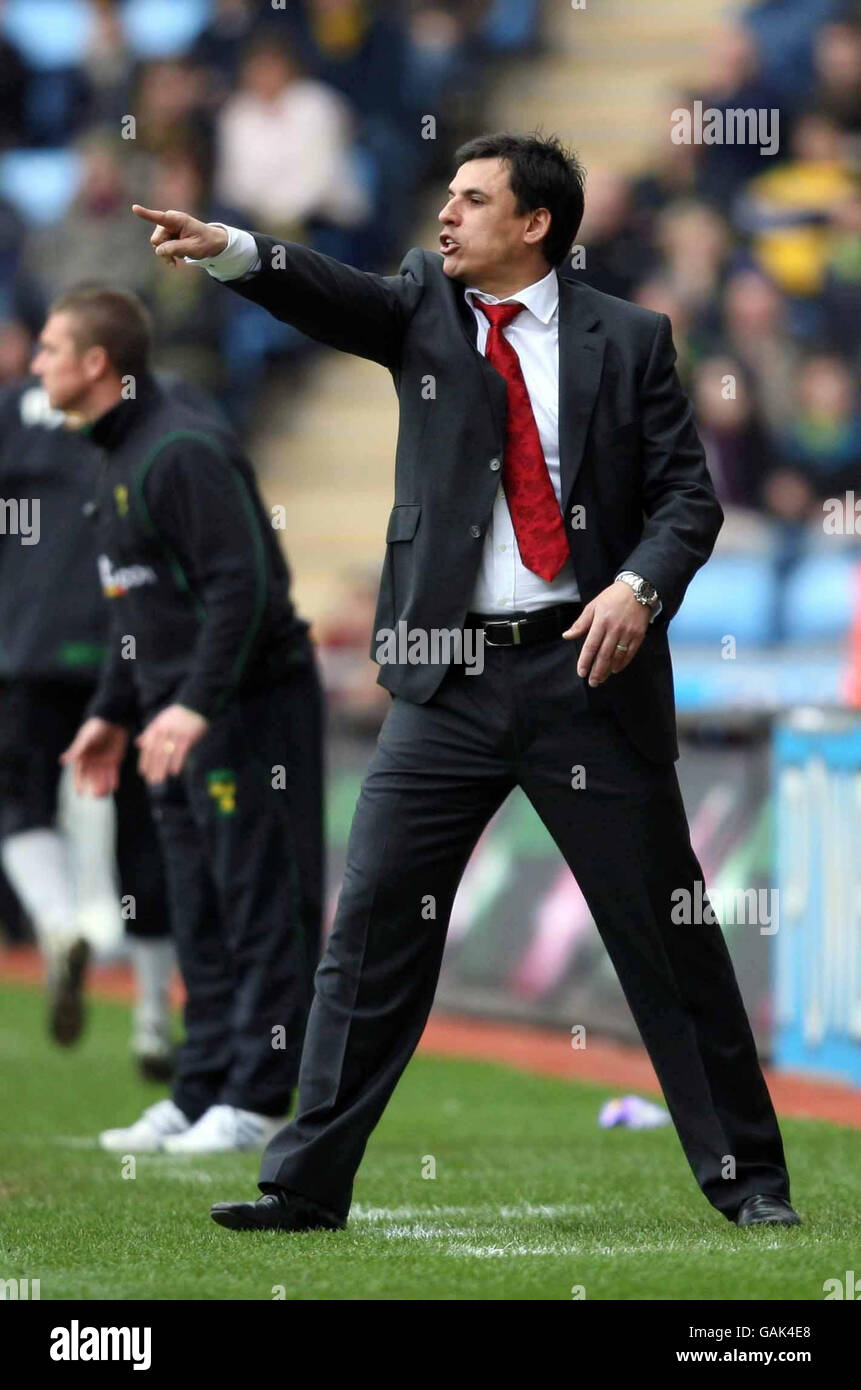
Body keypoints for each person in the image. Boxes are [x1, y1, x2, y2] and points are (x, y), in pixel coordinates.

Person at [134, 129, 799, 1228]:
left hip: (588, 677)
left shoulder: (630, 341)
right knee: (374, 929)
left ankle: (752, 1183)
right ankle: (303, 1186)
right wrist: (232, 252)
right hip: (448, 682)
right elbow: (328, 294)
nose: (447, 215)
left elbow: (690, 502)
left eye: (473, 199)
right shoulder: (420, 307)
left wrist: (636, 587)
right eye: (446, 194)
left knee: (668, 937)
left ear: (534, 224)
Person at [40, 284, 324, 1154]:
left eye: (51, 348)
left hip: (248, 709)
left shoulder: (180, 450)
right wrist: (111, 714)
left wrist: (196, 704)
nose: (36, 362)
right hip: (172, 717)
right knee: (196, 905)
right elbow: (141, 611)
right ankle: (201, 1086)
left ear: (96, 364)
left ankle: (261, 1097)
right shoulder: (112, 454)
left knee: (259, 904)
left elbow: (246, 590)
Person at [0, 371, 175, 1076]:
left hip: (26, 645)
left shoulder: (12, 410)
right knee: (145, 828)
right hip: (126, 640)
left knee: (20, 803)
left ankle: (58, 921)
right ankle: (155, 1022)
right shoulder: (160, 406)